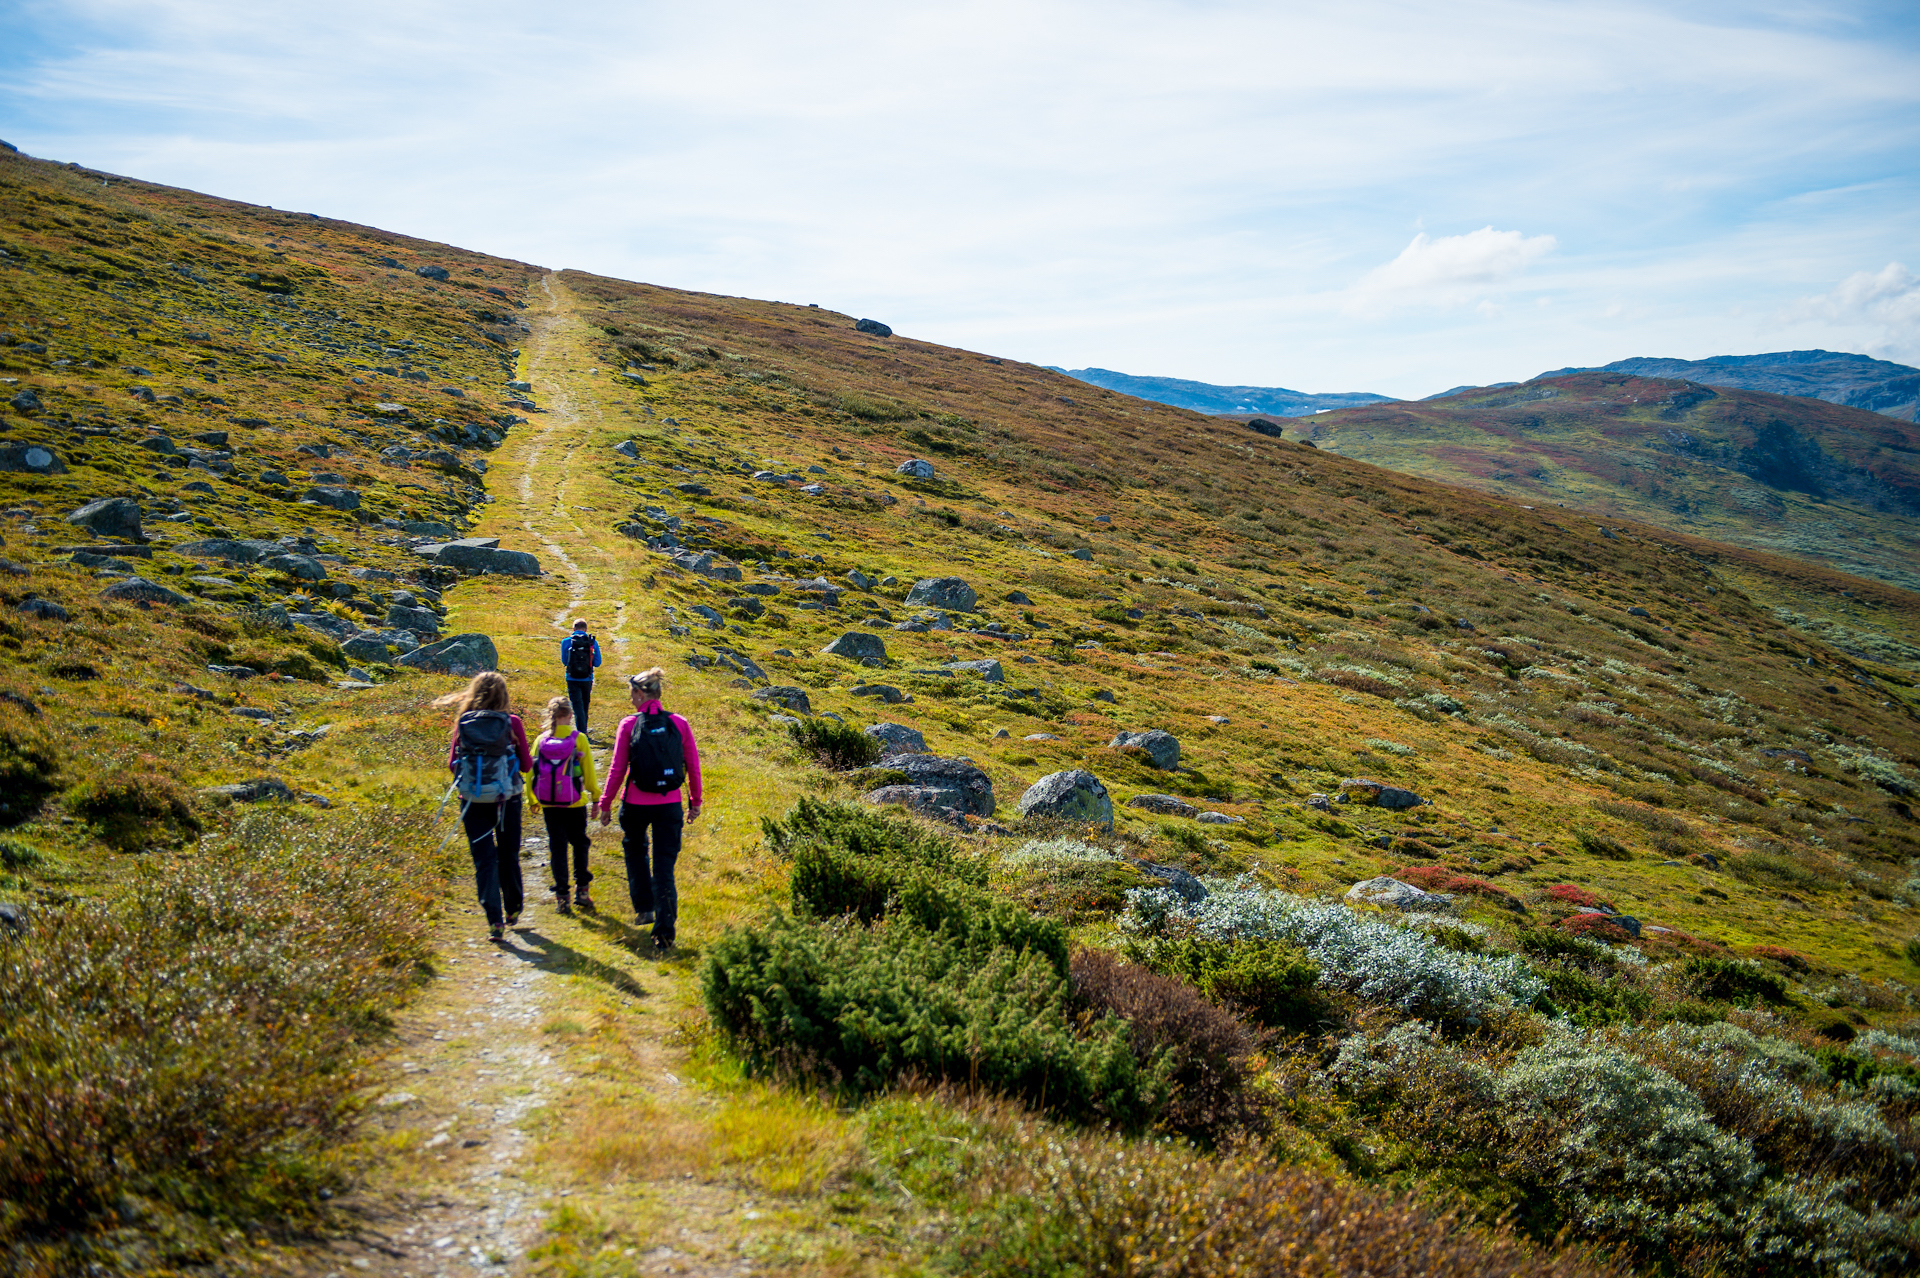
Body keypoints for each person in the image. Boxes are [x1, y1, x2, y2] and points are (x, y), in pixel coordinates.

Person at [596, 667, 702, 951]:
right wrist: (695, 802)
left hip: (635, 803)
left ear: (641, 693)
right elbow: (692, 765)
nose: (630, 699)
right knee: (664, 867)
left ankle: (644, 908)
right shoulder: (679, 723)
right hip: (670, 804)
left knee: (635, 849)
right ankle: (665, 933)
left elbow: (618, 769)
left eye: (632, 693)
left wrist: (605, 804)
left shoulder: (629, 724)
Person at [435, 672, 532, 942]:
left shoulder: (464, 723)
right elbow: (526, 765)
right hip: (507, 799)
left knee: (484, 860)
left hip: (472, 800)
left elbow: (452, 765)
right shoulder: (512, 722)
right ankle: (513, 908)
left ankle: (495, 921)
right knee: (508, 853)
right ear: (503, 695)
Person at [528, 694, 600, 914]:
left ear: (551, 715)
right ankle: (582, 892)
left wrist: (532, 799)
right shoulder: (579, 739)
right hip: (575, 802)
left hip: (550, 804)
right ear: (570, 715)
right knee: (580, 843)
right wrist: (596, 797)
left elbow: (530, 773)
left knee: (557, 847)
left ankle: (562, 896)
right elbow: (588, 773)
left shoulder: (541, 741)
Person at [560, 620, 602, 733]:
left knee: (577, 705)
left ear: (573, 629)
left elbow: (565, 661)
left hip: (571, 678)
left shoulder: (565, 642)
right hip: (587, 678)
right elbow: (597, 663)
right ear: (586, 629)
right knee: (585, 704)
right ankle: (583, 731)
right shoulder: (592, 642)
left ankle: (582, 732)